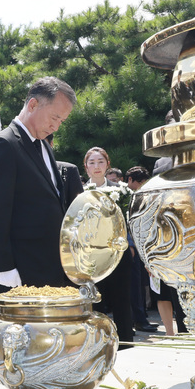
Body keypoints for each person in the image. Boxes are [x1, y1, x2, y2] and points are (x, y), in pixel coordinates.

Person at [0, 77, 77, 290]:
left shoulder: (44, 146)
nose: (56, 126)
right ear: (33, 104)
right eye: (54, 117)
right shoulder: (3, 145)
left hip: (52, 267)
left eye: (61, 121)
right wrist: (3, 267)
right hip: (21, 271)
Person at [83, 147, 134, 348]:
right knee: (94, 299)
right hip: (92, 254)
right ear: (86, 167)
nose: (96, 166)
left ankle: (125, 342)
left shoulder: (121, 190)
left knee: (122, 298)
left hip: (117, 251)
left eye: (100, 162)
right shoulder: (79, 191)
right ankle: (96, 343)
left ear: (107, 165)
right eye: (92, 162)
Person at [125, 166, 159, 333]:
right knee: (132, 286)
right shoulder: (124, 195)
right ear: (130, 180)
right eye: (140, 183)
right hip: (129, 246)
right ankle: (136, 319)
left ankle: (140, 319)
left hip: (141, 246)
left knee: (138, 286)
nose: (142, 187)